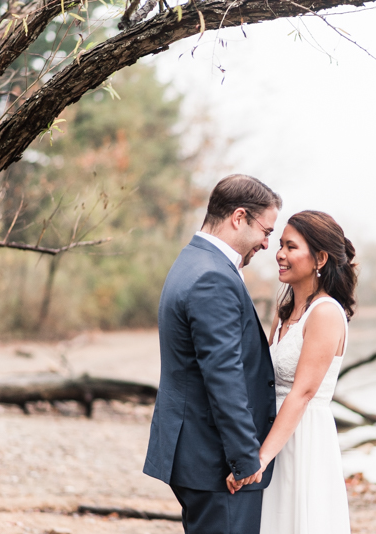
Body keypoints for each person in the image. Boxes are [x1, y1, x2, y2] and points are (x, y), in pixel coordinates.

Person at [143, 174, 282, 534]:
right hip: (213, 458)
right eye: (266, 231)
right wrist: (244, 458)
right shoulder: (213, 277)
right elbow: (223, 375)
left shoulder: (193, 260)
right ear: (239, 218)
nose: (267, 244)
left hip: (193, 448)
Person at [227, 210, 357, 534]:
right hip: (274, 432)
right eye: (280, 245)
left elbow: (302, 393)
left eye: (291, 247)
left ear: (320, 258)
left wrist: (261, 457)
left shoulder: (326, 313)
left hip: (304, 439)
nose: (280, 254)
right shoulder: (285, 311)